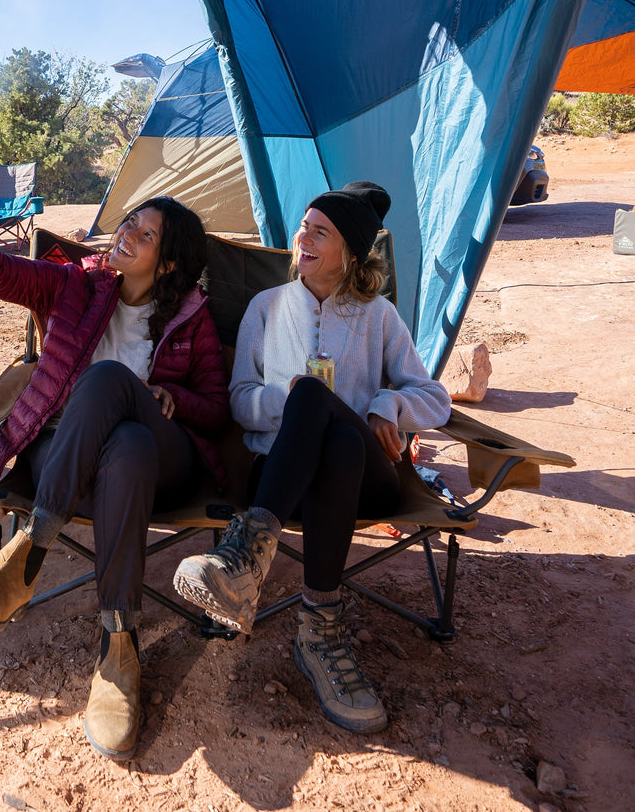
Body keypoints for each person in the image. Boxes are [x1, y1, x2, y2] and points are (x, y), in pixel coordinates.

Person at [0, 184, 229, 760]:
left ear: (168, 260)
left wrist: (170, 395)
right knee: (125, 442)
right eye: (129, 224)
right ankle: (118, 646)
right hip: (69, 456)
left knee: (114, 396)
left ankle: (31, 550)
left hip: (165, 464)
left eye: (145, 235)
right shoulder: (74, 285)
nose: (126, 235)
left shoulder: (193, 319)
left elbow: (218, 408)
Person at [173, 181, 451, 733]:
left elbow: (435, 399)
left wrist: (387, 405)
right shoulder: (265, 307)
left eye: (319, 231)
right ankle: (320, 633)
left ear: (349, 251)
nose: (301, 236)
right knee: (326, 424)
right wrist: (286, 399)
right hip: (279, 477)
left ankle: (244, 560)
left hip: (368, 483)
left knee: (336, 423)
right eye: (303, 225)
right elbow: (238, 402)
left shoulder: (378, 317)